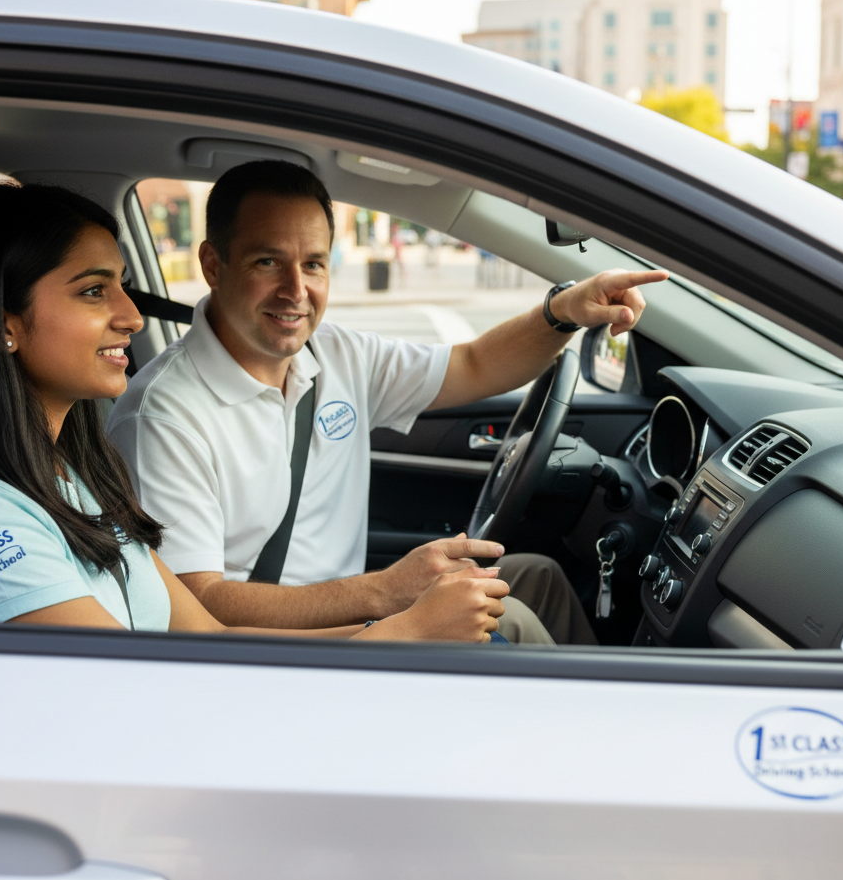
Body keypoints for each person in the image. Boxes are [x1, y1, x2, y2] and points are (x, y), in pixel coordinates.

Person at [0, 183, 511, 643]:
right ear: (4, 324)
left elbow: (209, 642)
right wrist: (397, 635)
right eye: (92, 290)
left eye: (123, 285)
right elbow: (126, 697)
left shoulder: (67, 475)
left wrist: (395, 629)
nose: (132, 317)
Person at [108, 161, 668, 642]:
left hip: (353, 611)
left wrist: (563, 310)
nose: (296, 290)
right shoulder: (163, 414)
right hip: (281, 653)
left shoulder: (336, 353)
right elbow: (195, 603)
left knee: (537, 576)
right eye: (267, 262)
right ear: (212, 265)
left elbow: (473, 365)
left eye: (314, 264)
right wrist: (386, 593)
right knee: (510, 618)